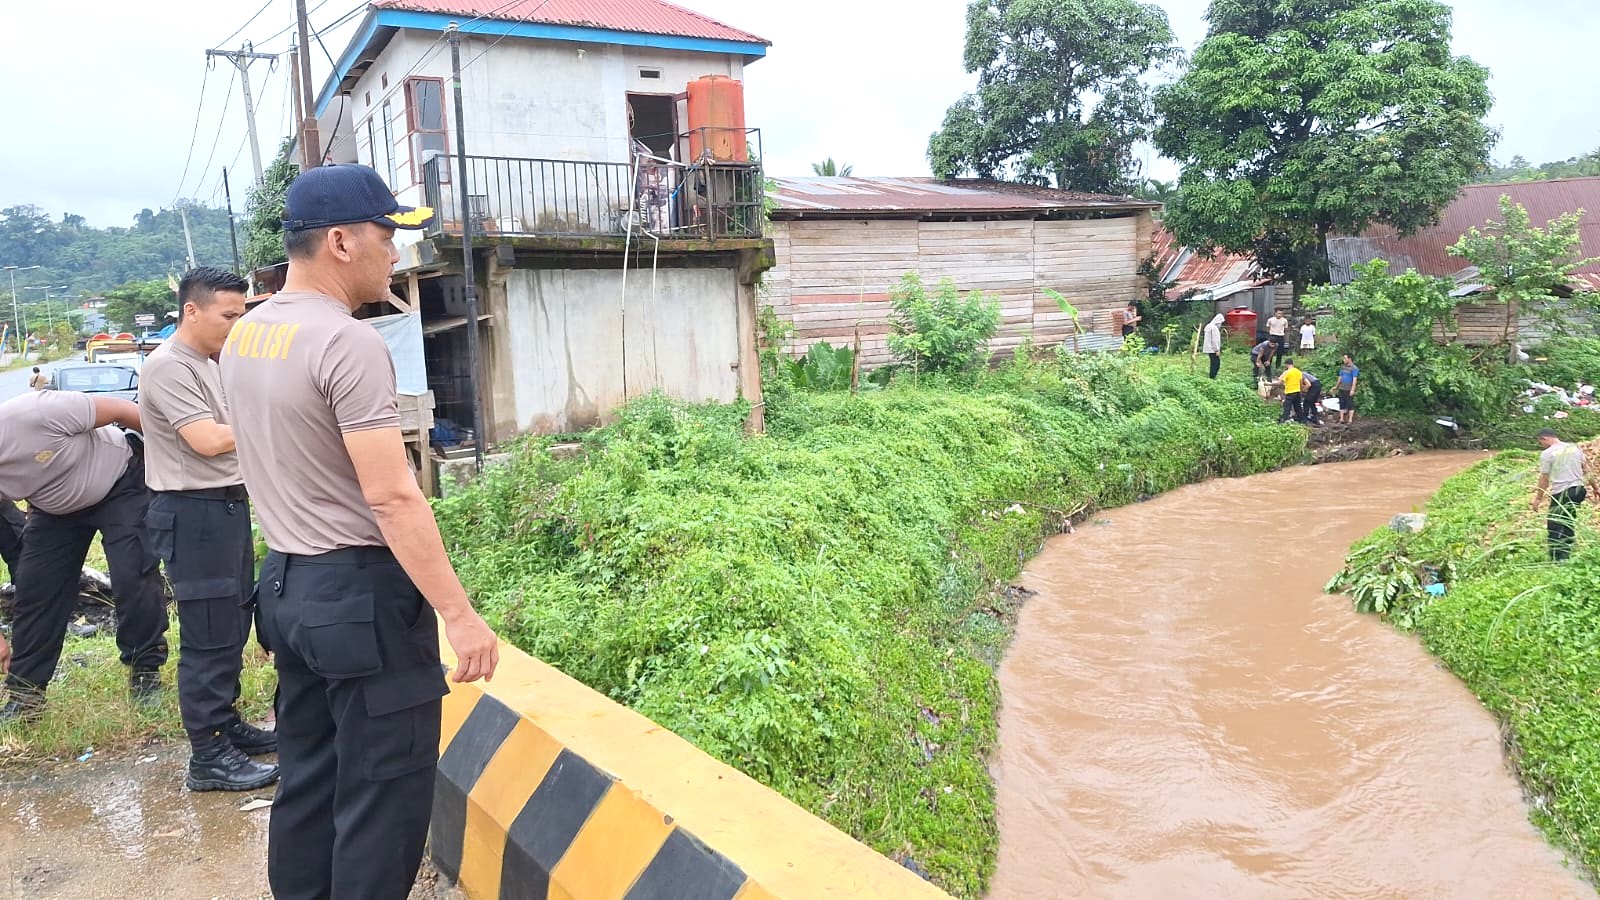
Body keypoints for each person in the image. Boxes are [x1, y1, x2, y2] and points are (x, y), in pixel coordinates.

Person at [221, 164, 499, 899]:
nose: (396, 254)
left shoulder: (247, 336)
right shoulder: (348, 344)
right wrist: (460, 616)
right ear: (341, 241)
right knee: (384, 802)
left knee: (309, 783)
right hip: (361, 602)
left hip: (286, 586)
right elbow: (394, 498)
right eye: (386, 236)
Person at [139, 266, 278, 793]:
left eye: (241, 315)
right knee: (209, 636)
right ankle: (208, 755)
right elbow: (206, 439)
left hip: (221, 509)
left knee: (230, 625)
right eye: (229, 315)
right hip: (192, 513)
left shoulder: (207, 361)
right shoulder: (170, 366)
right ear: (191, 310)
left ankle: (226, 724)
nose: (236, 325)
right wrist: (281, 424)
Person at [0, 391, 168, 724]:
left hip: (120, 482)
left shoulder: (34, 414)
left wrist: (164, 455)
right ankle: (26, 693)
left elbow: (124, 410)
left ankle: (145, 670)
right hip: (53, 509)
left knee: (132, 573)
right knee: (35, 591)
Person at [1533, 429, 1591, 563]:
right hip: (1579, 490)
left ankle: (1558, 557)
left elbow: (1544, 478)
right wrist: (1596, 488)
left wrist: (1538, 498)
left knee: (1554, 524)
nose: (1541, 445)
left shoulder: (1547, 454)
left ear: (1544, 439)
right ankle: (1567, 551)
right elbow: (1587, 469)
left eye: (1540, 442)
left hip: (1562, 492)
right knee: (1568, 520)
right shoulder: (1574, 448)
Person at [1274, 357, 1305, 424]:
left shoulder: (1287, 372)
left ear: (1286, 364)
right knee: (1298, 407)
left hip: (1290, 392)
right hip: (1297, 392)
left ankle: (1282, 421)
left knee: (1287, 407)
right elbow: (1301, 382)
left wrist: (1269, 384)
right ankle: (1302, 421)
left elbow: (1279, 382)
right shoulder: (1298, 372)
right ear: (1292, 363)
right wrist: (1301, 390)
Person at [1336, 354, 1360, 424]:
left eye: (1345, 358)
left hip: (1349, 388)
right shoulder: (1343, 367)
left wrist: (1353, 389)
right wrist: (1336, 386)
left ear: (1349, 359)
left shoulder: (1354, 368)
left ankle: (1350, 420)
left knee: (1350, 404)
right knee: (1341, 403)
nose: (1344, 360)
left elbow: (1354, 379)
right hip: (1342, 388)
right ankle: (1341, 419)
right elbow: (1340, 377)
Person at [1202, 313, 1224, 380]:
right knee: (1216, 363)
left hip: (1208, 348)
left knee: (1213, 362)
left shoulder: (1208, 326)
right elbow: (1215, 340)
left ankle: (1212, 376)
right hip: (1213, 349)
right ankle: (1212, 377)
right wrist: (1217, 349)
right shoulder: (1214, 328)